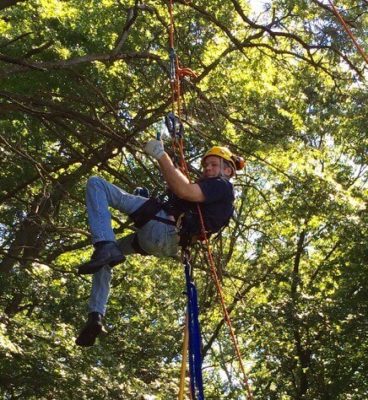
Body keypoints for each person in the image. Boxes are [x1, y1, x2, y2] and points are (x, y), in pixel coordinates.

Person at [75, 139, 243, 347]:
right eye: (206, 165)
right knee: (105, 261)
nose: (207, 168)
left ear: (227, 170)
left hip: (161, 226)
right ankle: (95, 316)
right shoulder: (213, 195)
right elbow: (183, 188)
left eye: (213, 165)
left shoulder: (222, 186)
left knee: (96, 184)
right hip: (166, 243)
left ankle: (104, 244)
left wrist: (161, 155)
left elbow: (184, 190)